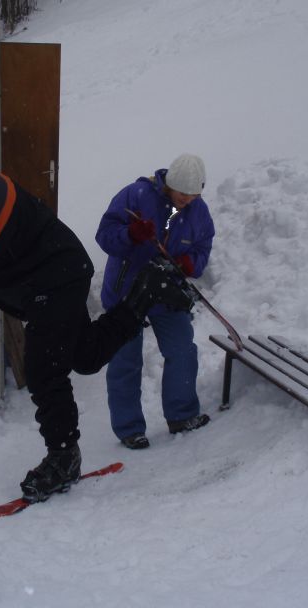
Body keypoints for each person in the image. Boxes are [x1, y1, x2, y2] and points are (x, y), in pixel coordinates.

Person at [0, 124, 195, 501]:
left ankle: (63, 456)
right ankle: (144, 293)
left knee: (43, 370)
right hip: (54, 275)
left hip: (51, 280)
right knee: (83, 356)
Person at [96, 153, 215, 449]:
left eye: (193, 193)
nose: (187, 199)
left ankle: (182, 415)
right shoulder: (135, 196)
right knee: (125, 360)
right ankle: (129, 428)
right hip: (127, 292)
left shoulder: (199, 212)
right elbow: (105, 236)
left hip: (166, 293)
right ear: (169, 184)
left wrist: (190, 264)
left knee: (182, 351)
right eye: (182, 193)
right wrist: (131, 234)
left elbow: (202, 248)